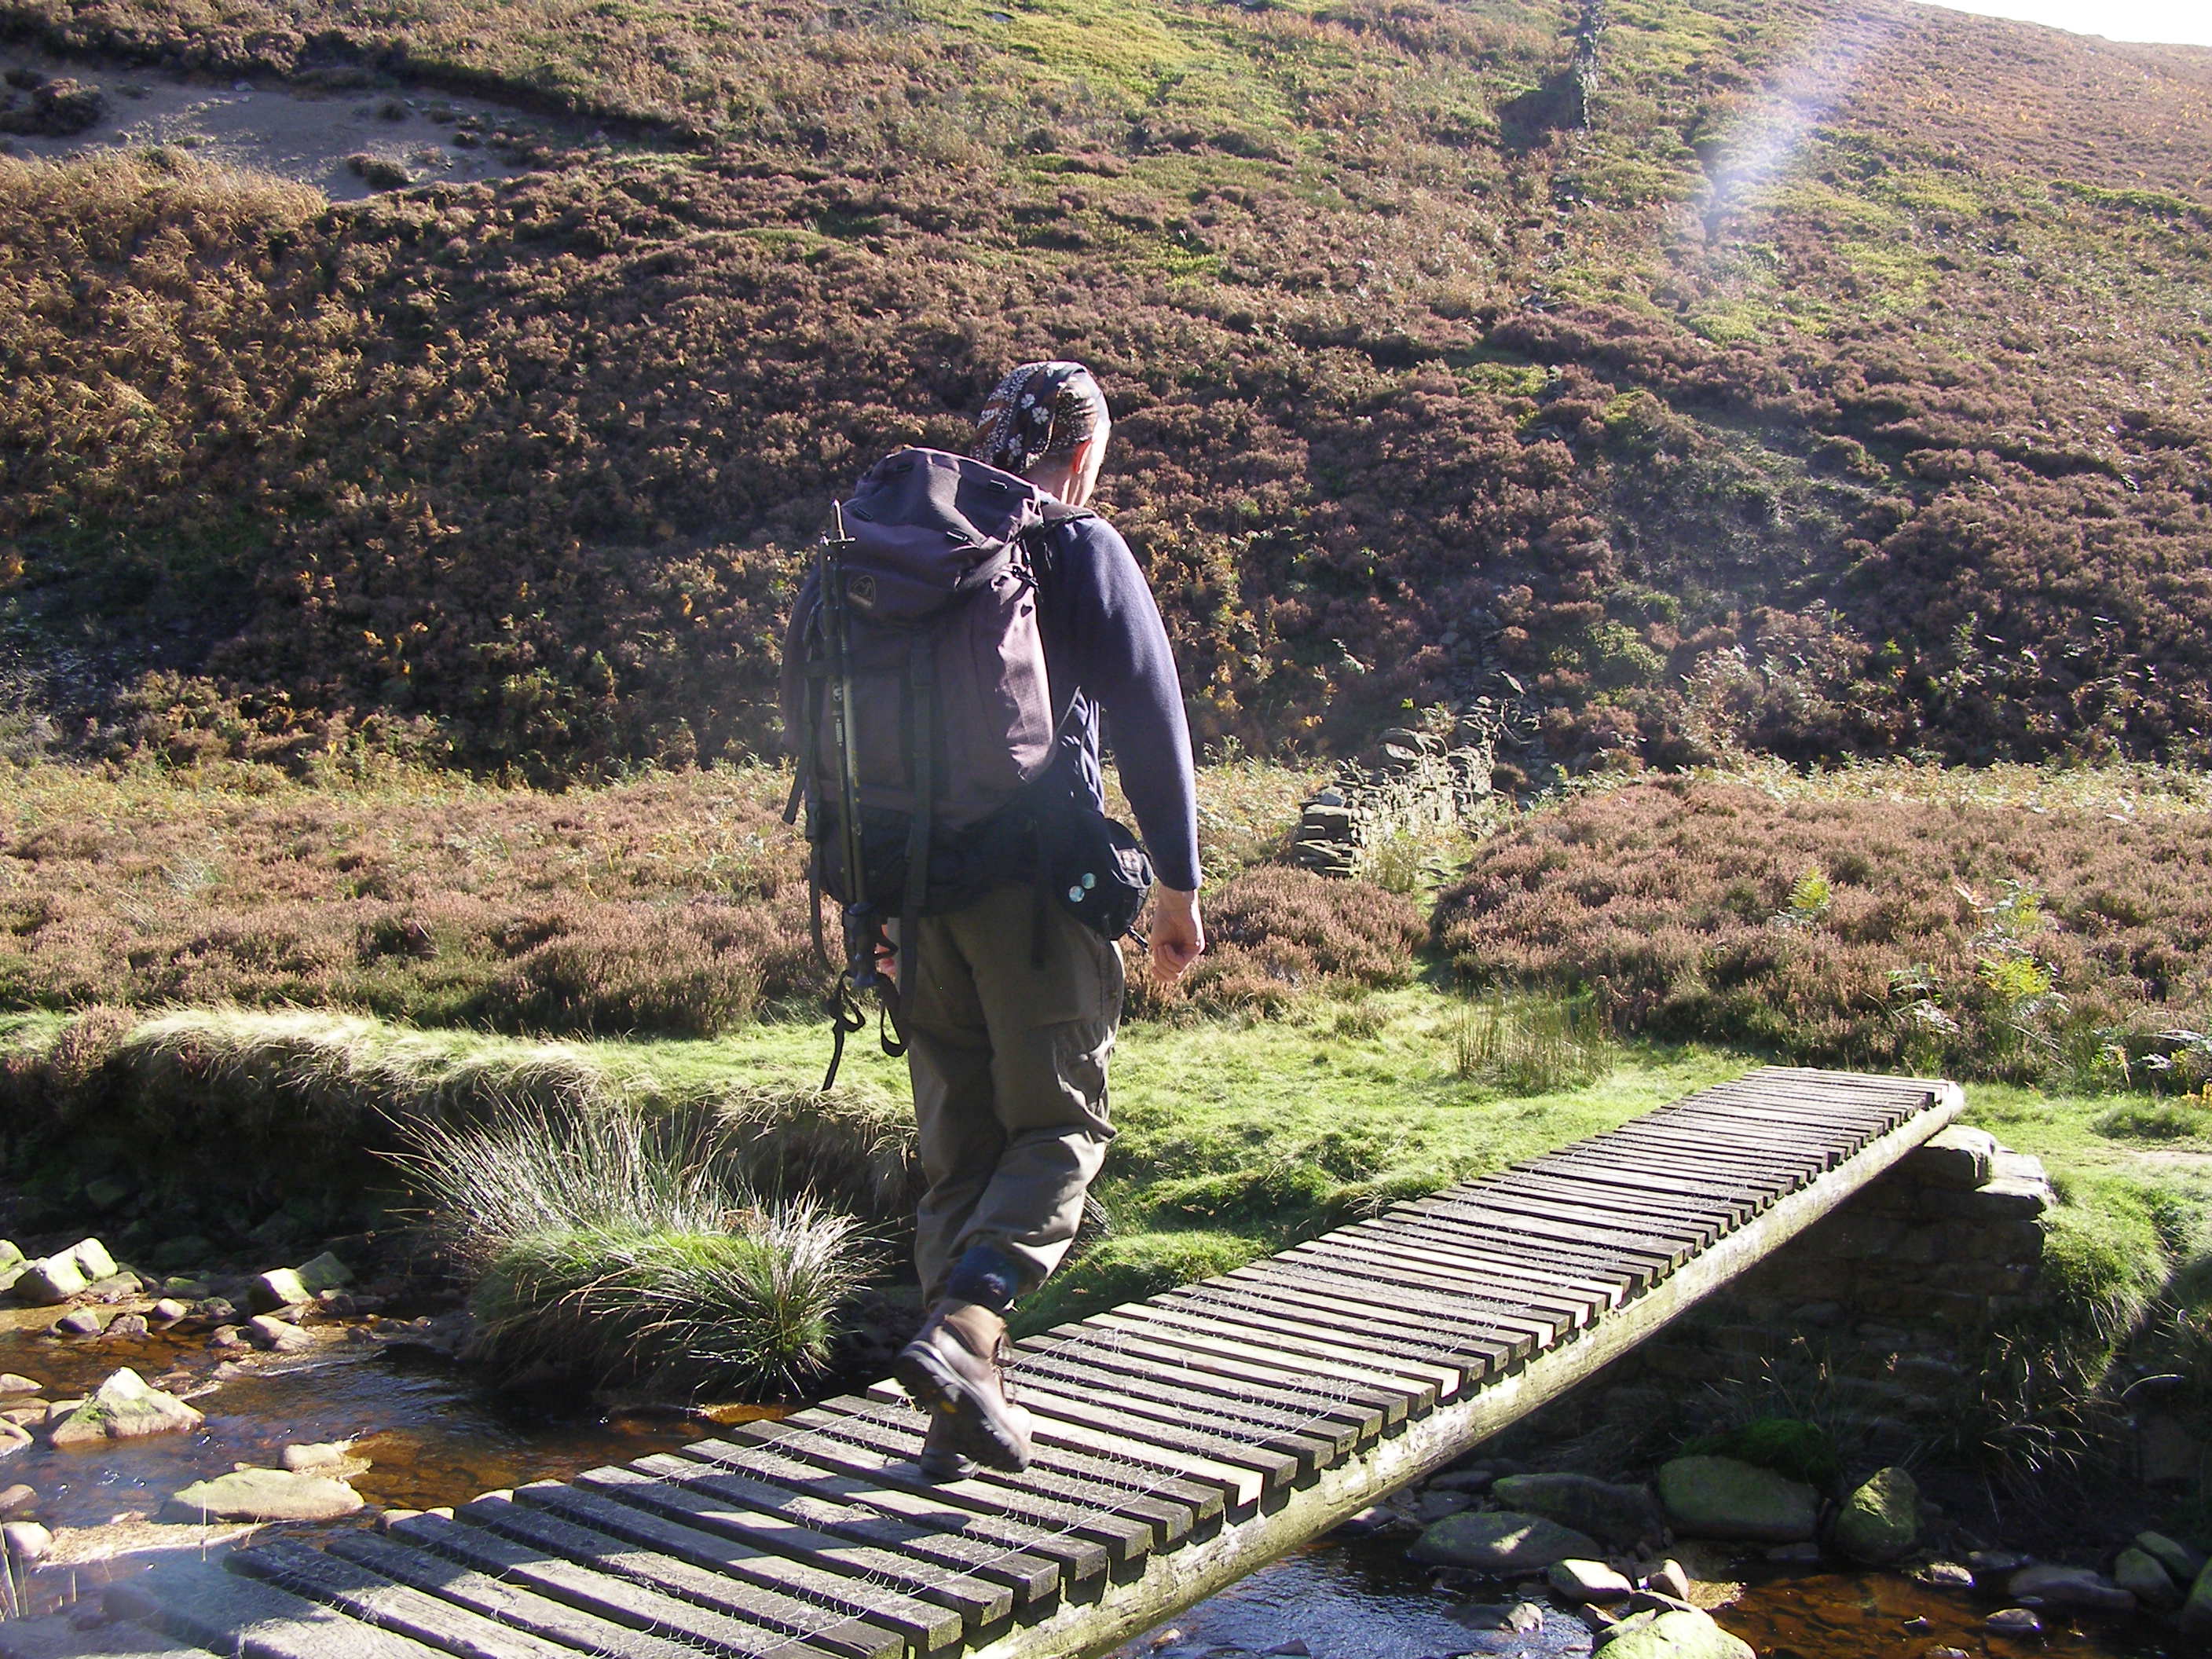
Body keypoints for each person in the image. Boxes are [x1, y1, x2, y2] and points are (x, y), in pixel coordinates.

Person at [888, 360, 1205, 1480]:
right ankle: (972, 1334)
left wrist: (873, 904)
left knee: (960, 1153)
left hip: (912, 906)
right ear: (1082, 453)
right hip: (1036, 898)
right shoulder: (1073, 548)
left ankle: (952, 1425)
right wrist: (1178, 887)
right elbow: (1152, 718)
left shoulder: (903, 560)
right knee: (1062, 1129)